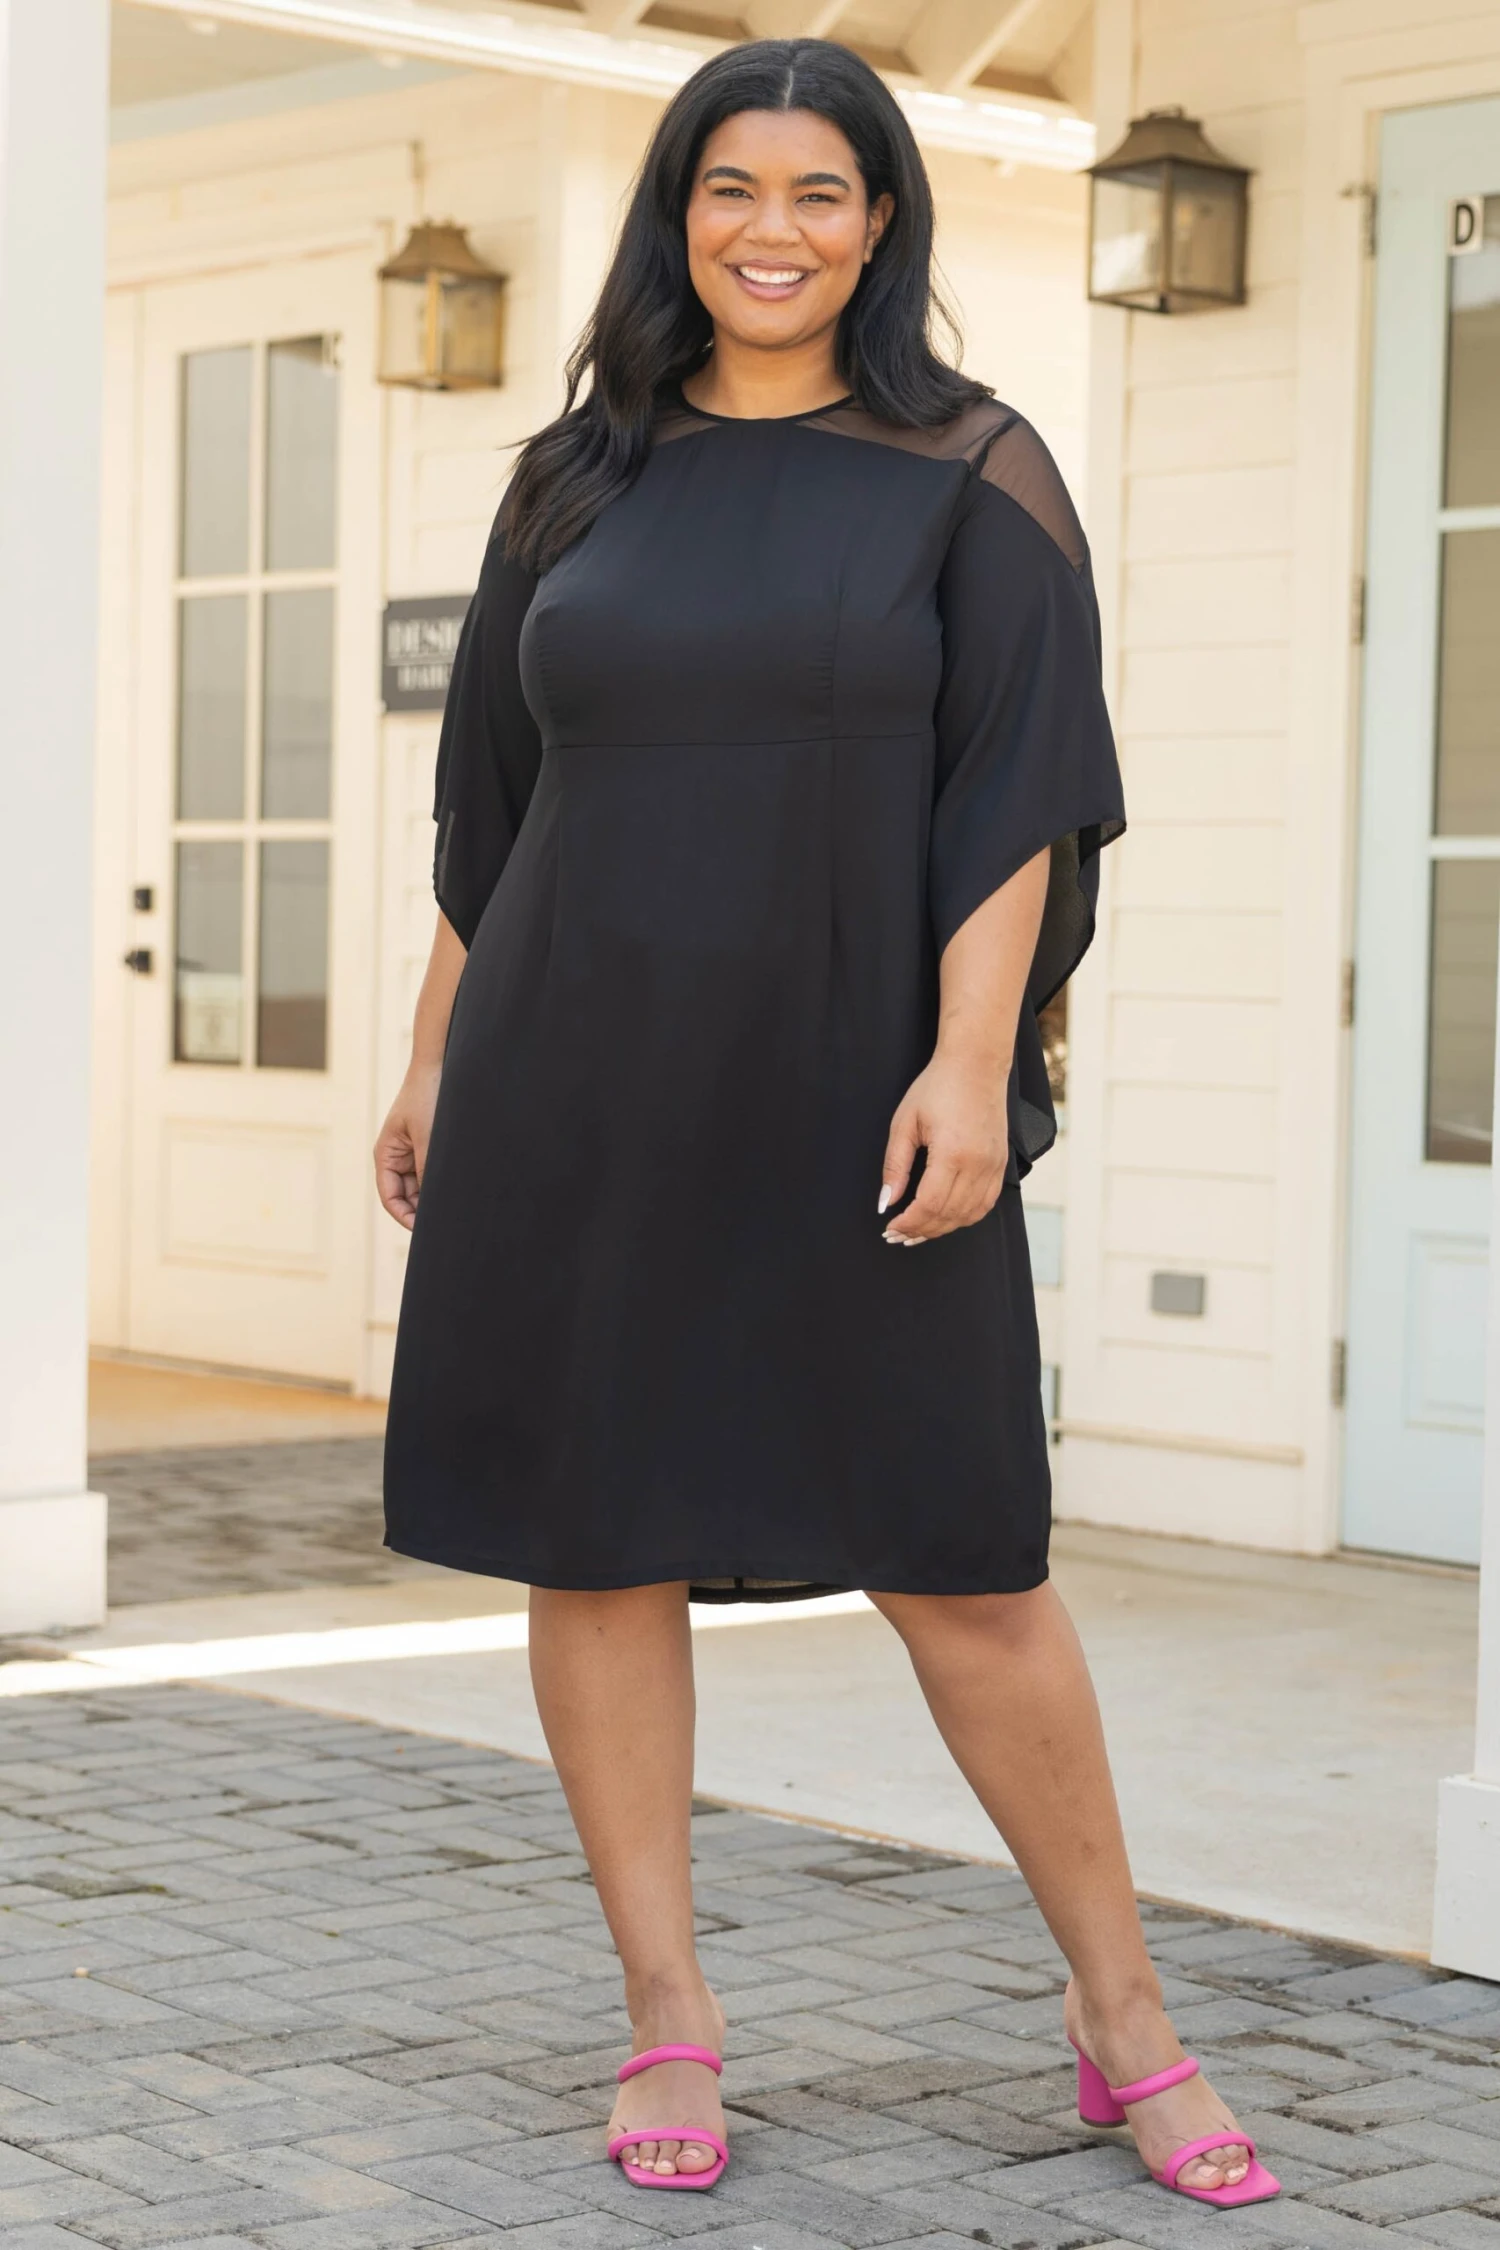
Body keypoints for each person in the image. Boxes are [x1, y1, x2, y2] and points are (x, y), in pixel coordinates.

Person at [374, 36, 1278, 2212]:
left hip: (858, 1087)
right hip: (576, 1078)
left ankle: (1122, 2014)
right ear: (676, 215)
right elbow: (495, 807)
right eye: (730, 188)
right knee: (601, 1539)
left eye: (818, 192)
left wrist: (973, 1061)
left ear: (880, 224)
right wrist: (430, 1058)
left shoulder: (974, 469)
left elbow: (1020, 794)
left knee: (963, 1558)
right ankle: (665, 2009)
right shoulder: (575, 476)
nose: (769, 230)